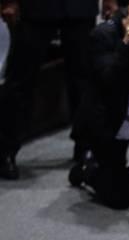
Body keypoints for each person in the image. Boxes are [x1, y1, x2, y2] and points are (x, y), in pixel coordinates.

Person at [69, 0, 129, 210]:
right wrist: (125, 44)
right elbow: (107, 80)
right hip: (105, 122)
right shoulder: (102, 35)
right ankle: (88, 168)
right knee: (120, 199)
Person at [0, 0, 98, 179]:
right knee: (20, 79)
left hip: (81, 7)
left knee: (84, 80)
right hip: (34, 8)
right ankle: (6, 150)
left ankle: (86, 146)